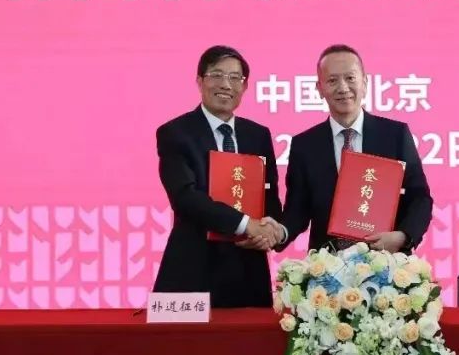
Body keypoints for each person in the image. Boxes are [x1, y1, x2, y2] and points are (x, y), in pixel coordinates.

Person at [152, 45, 285, 307]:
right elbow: (185, 197)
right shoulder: (175, 133)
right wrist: (246, 224)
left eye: (235, 77)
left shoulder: (258, 135)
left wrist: (270, 231)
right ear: (200, 81)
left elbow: (269, 196)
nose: (226, 84)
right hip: (193, 271)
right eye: (217, 75)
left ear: (244, 87)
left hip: (248, 272)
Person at [274, 44, 433, 254]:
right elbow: (298, 210)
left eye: (350, 78)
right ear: (319, 88)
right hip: (326, 266)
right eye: (332, 80)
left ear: (365, 83)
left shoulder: (395, 135)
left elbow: (420, 197)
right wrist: (279, 232)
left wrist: (403, 236)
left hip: (387, 263)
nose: (343, 88)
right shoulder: (305, 145)